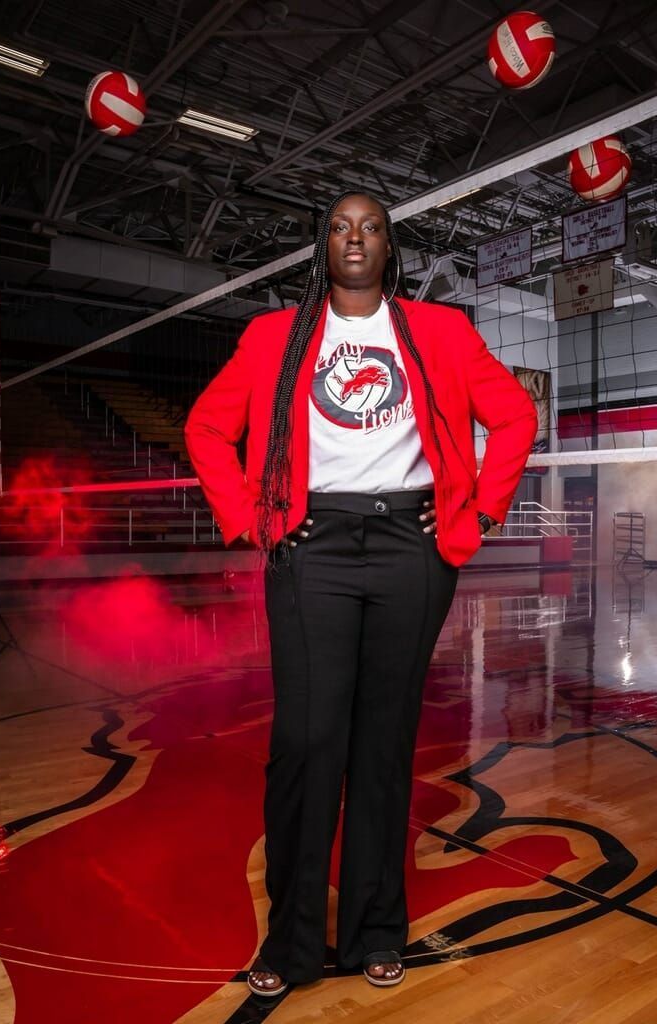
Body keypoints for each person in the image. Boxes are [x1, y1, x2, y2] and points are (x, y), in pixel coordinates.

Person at [184, 191, 538, 997]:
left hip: (412, 552)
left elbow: (515, 417)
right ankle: (294, 940)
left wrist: (478, 513)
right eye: (340, 226)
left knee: (384, 747)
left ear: (390, 248)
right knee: (308, 743)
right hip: (313, 551)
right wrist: (251, 521)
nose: (355, 237)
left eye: (370, 226)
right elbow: (207, 428)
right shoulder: (275, 336)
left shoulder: (440, 331)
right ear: (322, 247)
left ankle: (378, 928)